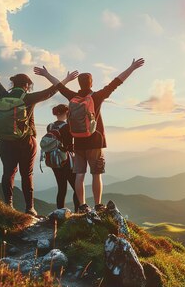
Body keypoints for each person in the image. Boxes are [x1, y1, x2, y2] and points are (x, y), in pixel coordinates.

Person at [41, 58, 145, 214]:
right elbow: (116, 82)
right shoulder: (96, 97)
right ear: (91, 83)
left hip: (78, 143)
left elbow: (59, 86)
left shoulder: (72, 97)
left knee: (79, 175)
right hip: (95, 142)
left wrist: (46, 74)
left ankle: (82, 206)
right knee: (96, 175)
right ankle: (98, 205)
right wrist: (132, 68)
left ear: (80, 84)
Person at [0, 58, 77, 216]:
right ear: (27, 85)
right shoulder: (29, 98)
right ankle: (29, 208)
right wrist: (65, 80)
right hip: (26, 142)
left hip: (4, 142)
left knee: (8, 172)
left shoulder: (3, 95)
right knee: (27, 174)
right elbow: (52, 91)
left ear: (13, 84)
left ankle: (8, 205)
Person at [46, 104, 79, 210]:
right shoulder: (67, 126)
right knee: (77, 188)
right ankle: (78, 212)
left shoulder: (50, 126)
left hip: (54, 160)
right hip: (66, 161)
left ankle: (60, 212)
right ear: (66, 113)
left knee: (61, 188)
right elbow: (69, 146)